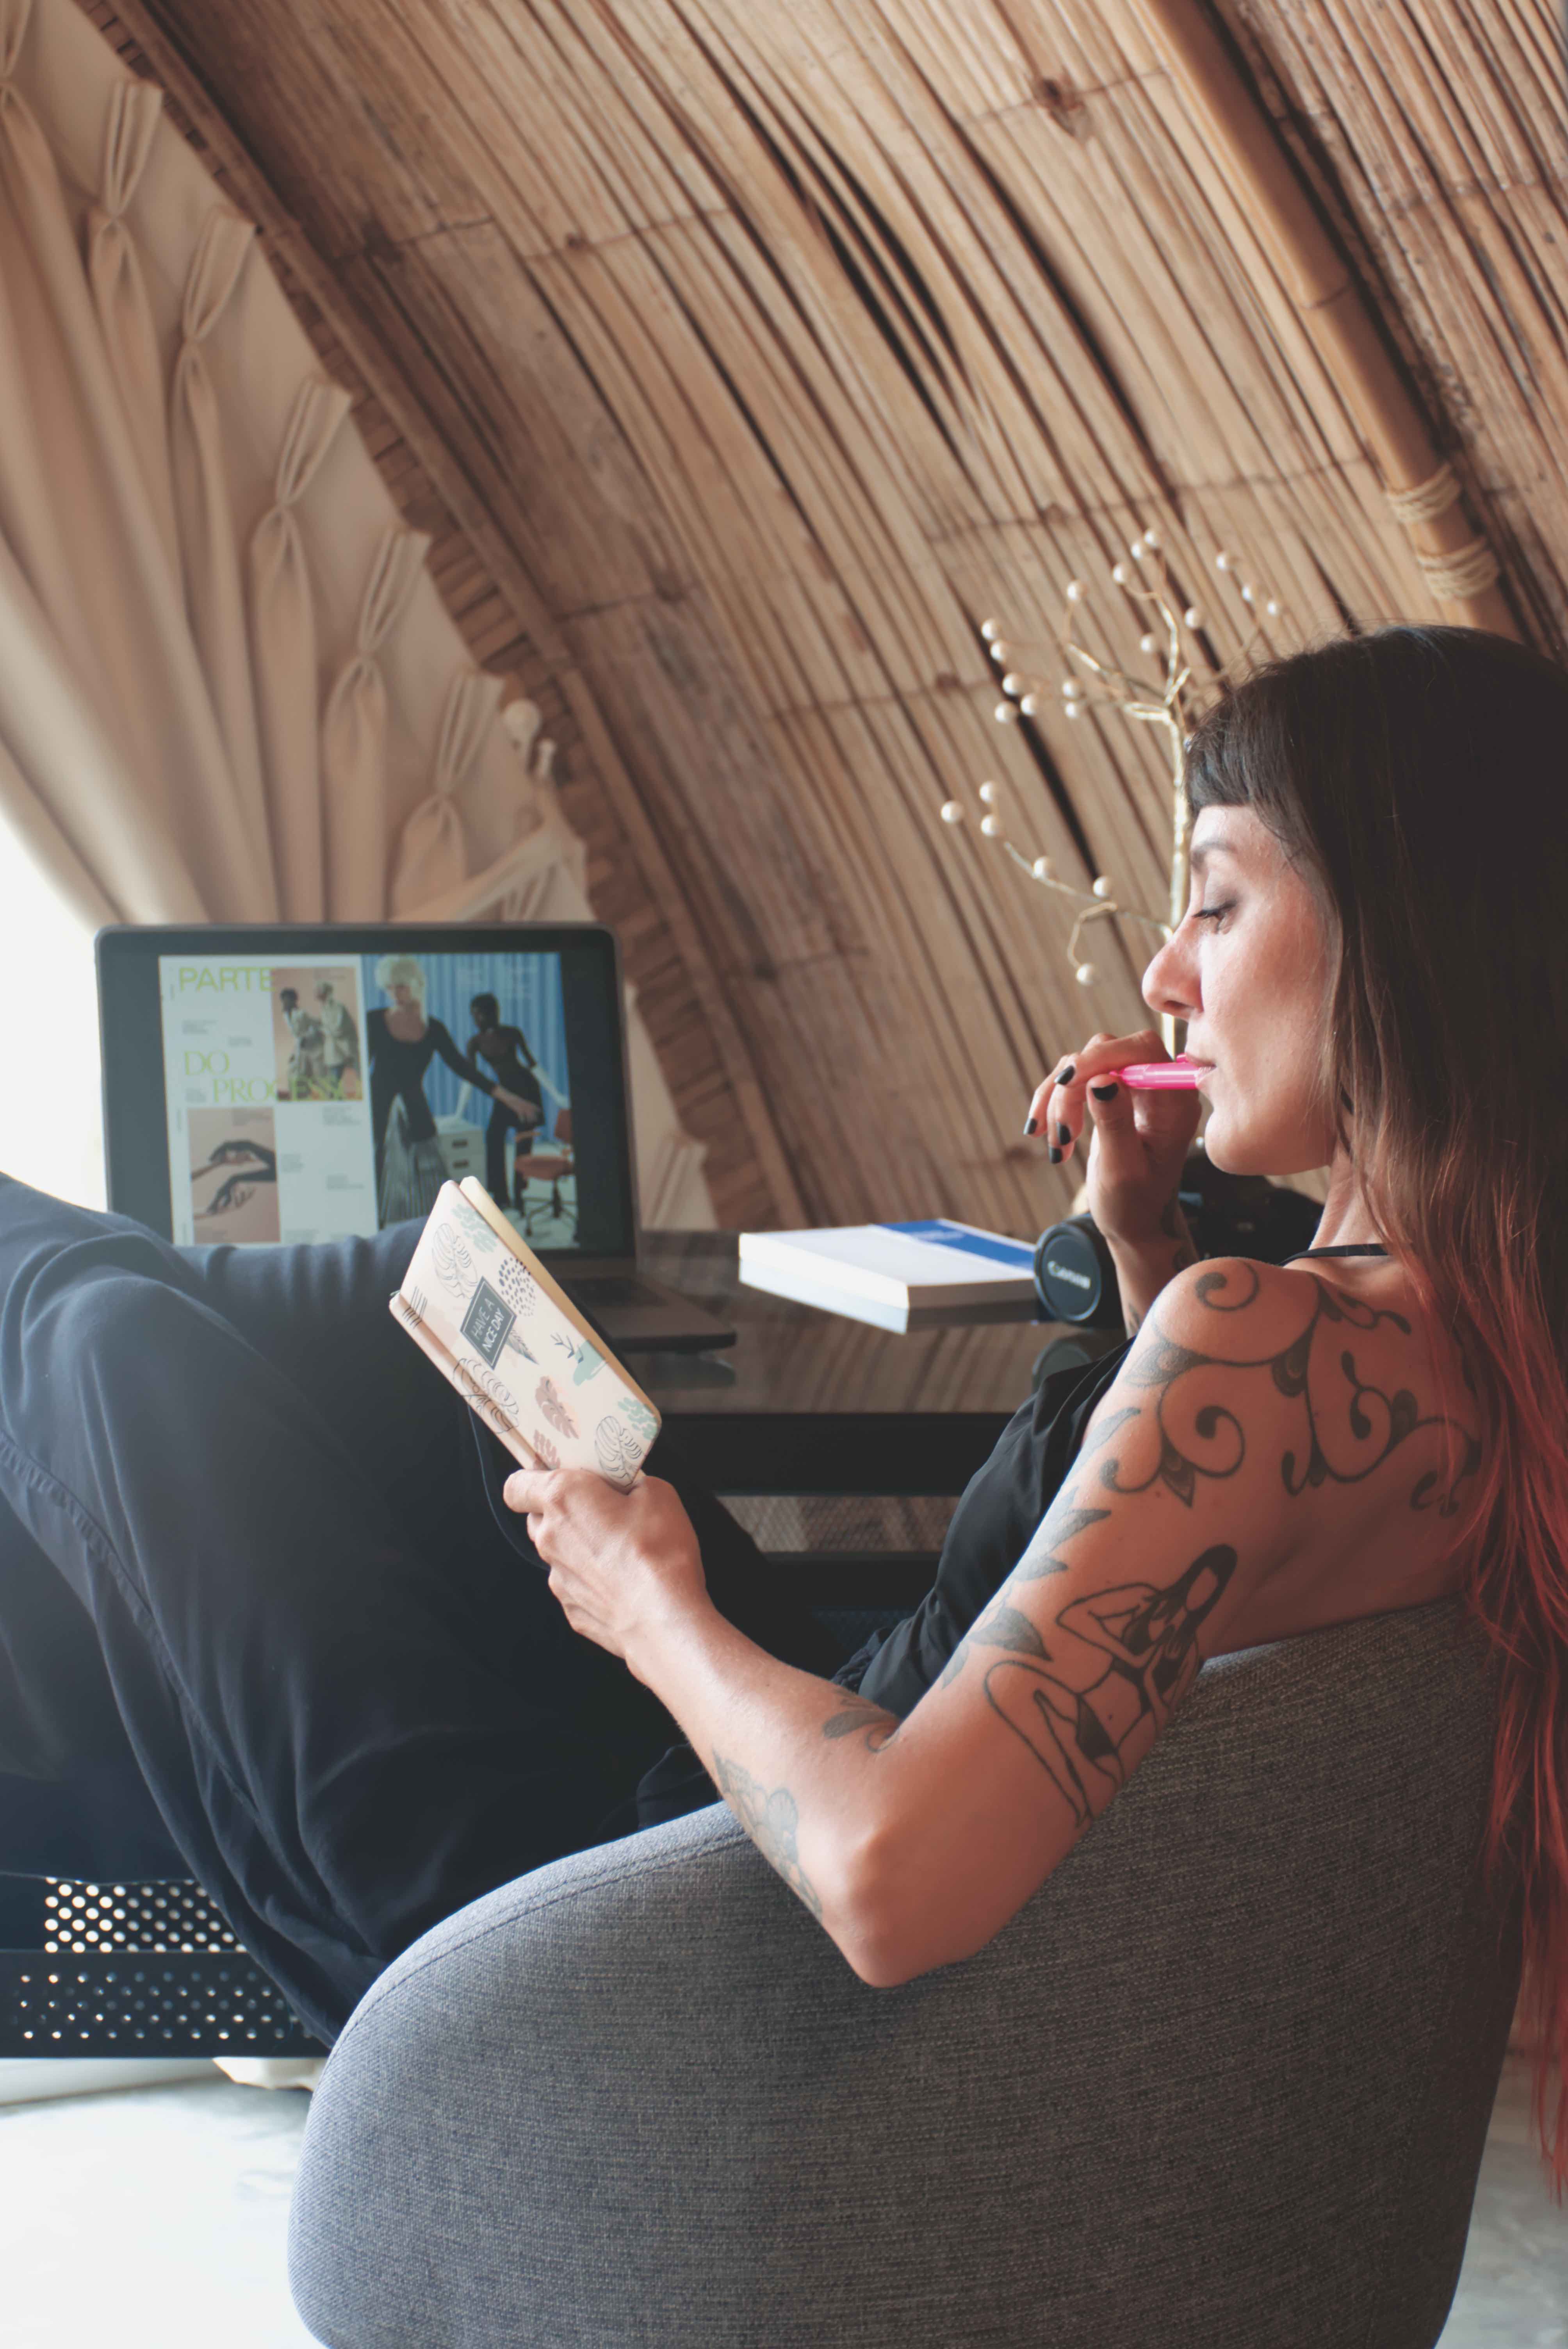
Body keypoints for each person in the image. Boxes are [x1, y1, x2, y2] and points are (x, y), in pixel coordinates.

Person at [0, 627, 1564, 2190]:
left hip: (615, 1946)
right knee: (397, 1282)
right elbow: (1216, 1556)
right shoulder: (1449, 1346)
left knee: (98, 1337)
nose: (1161, 977)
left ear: (1404, 936)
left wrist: (648, 1601)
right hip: (730, 1817)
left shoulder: (1254, 1339)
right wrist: (1134, 1237)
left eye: (1214, 904)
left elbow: (886, 1878)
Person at [365, 955, 535, 1221]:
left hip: (417, 1114)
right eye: (389, 987)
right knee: (379, 1189)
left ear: (418, 983)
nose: (394, 994)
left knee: (434, 1193)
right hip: (377, 1115)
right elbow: (354, 1071)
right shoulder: (374, 1021)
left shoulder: (434, 1029)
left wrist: (511, 1099)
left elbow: (465, 1070)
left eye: (401, 986)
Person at [465, 990, 545, 1205]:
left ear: (491, 1013)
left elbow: (532, 1064)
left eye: (479, 1014)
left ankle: (520, 1193)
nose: (475, 1019)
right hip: (505, 1094)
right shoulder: (475, 1042)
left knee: (524, 1141)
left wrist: (556, 1096)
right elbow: (469, 1077)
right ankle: (500, 1194)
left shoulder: (512, 1033)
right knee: (493, 1136)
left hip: (527, 1089)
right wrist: (458, 1112)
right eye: (473, 1014)